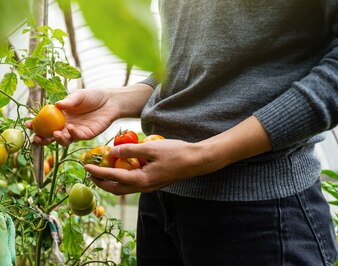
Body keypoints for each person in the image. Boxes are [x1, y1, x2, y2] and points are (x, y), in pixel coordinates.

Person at [26, 1, 338, 265]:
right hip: (161, 203)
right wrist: (117, 100)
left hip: (259, 213)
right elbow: (193, 63)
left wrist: (205, 154)